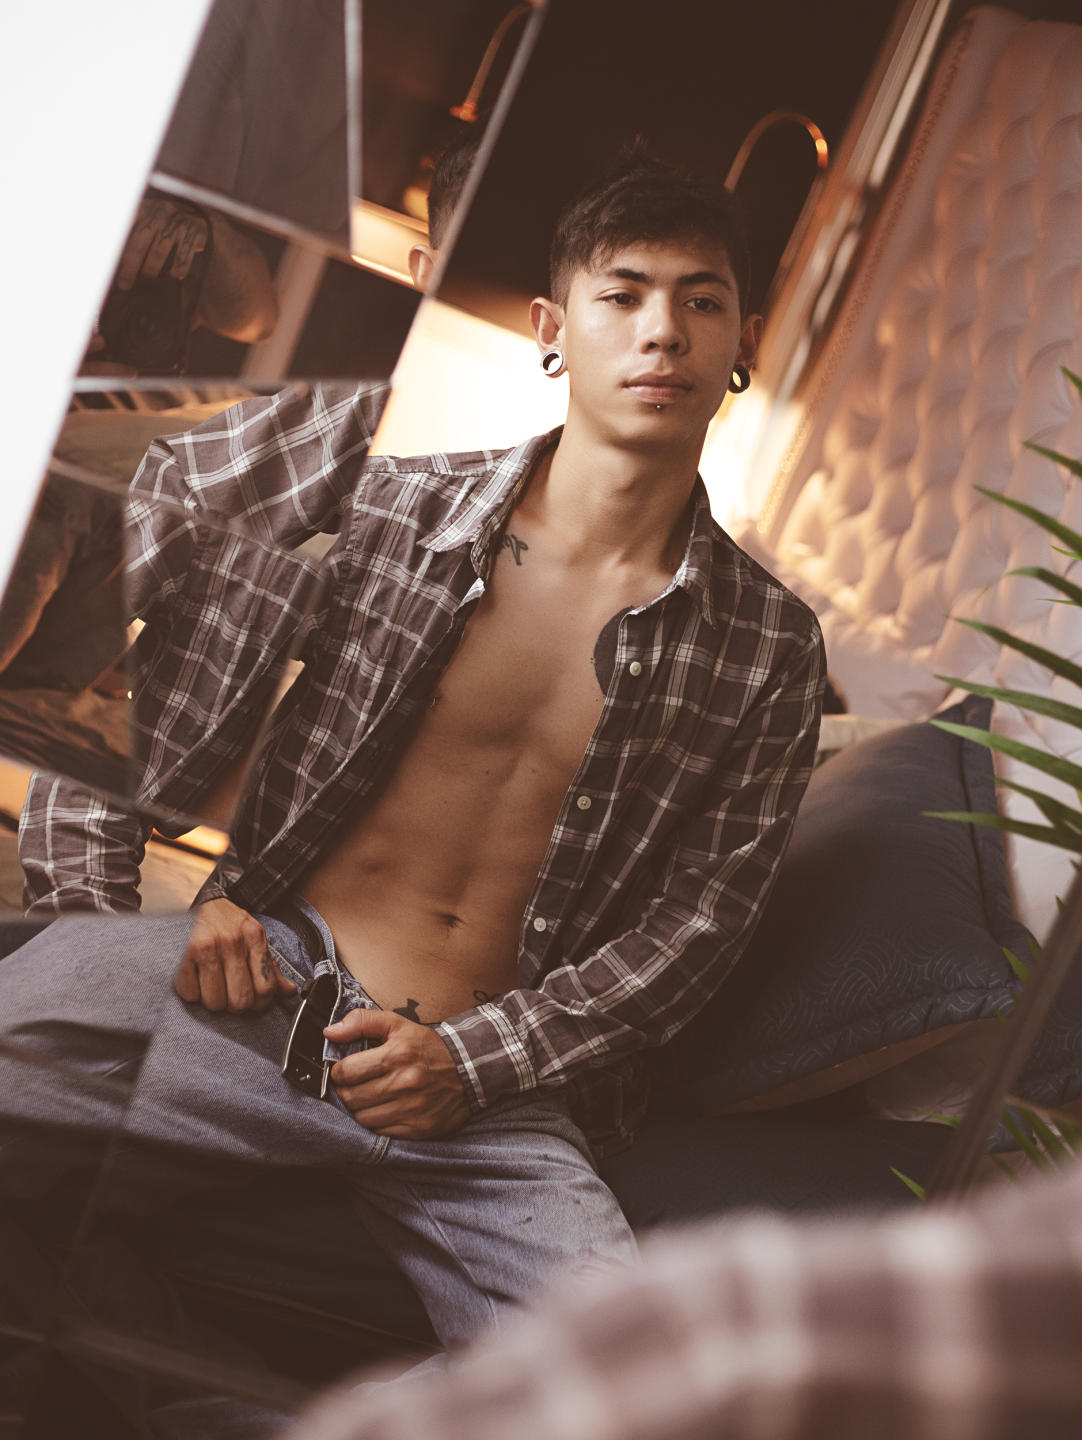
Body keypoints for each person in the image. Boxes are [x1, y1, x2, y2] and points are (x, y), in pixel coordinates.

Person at [6, 148, 824, 1422]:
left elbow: (698, 925)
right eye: (621, 295)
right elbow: (125, 716)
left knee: (637, 1394)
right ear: (552, 331)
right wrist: (129, 926)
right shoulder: (387, 514)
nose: (661, 330)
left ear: (742, 344)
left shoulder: (766, 646)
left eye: (700, 299)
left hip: (487, 1095)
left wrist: (479, 1061)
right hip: (266, 982)